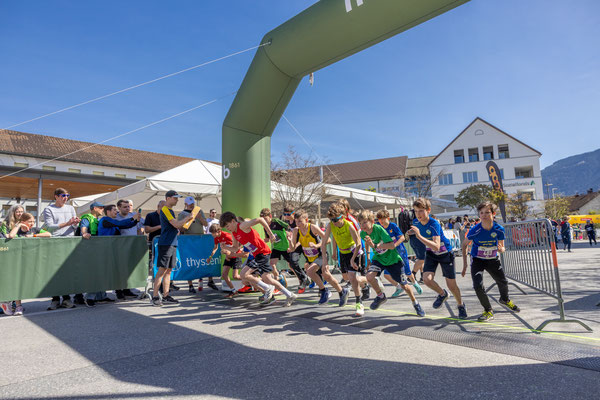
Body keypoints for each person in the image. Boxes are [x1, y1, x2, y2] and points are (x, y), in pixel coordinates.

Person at [219, 211, 297, 306]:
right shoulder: (234, 233)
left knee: (244, 274)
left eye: (227, 226)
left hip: (262, 252)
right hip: (258, 254)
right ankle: (290, 295)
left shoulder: (242, 226)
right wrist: (225, 247)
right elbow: (235, 248)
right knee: (268, 279)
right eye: (226, 227)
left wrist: (270, 234)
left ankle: (267, 288)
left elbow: (260, 219)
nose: (227, 229)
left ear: (233, 221)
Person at [357, 210, 425, 317]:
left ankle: (415, 303)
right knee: (369, 277)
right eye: (360, 223)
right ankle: (380, 296)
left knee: (405, 286)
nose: (362, 225)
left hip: (393, 259)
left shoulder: (379, 229)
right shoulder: (362, 233)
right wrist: (368, 256)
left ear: (372, 221)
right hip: (379, 258)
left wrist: (376, 245)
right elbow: (367, 243)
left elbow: (392, 246)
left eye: (365, 222)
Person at [408, 198, 467, 319]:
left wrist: (418, 235)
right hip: (431, 254)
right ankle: (442, 294)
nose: (418, 214)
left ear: (428, 210)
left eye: (421, 211)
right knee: (426, 279)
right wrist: (410, 233)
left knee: (451, 285)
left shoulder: (434, 223)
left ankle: (461, 305)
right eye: (416, 211)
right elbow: (428, 245)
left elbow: (436, 246)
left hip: (445, 253)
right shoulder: (416, 222)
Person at [461, 202, 520, 321]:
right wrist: (465, 264)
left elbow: (502, 247)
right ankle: (488, 310)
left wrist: (501, 249)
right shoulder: (475, 229)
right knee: (478, 286)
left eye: (487, 212)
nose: (484, 215)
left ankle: (504, 300)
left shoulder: (499, 229)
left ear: (493, 214)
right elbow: (464, 245)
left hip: (492, 259)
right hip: (477, 260)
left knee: (503, 281)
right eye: (481, 213)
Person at [291, 209, 349, 306]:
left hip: (321, 255)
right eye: (296, 222)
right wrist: (290, 241)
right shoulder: (296, 230)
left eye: (300, 221)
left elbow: (328, 240)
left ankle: (324, 291)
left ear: (306, 220)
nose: (298, 224)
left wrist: (316, 245)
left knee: (309, 271)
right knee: (327, 276)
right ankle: (342, 291)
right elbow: (293, 248)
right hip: (310, 258)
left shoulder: (312, 228)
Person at [321, 202, 368, 317]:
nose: (334, 222)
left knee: (352, 277)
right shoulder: (331, 225)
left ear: (342, 216)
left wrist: (353, 259)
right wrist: (325, 261)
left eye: (336, 220)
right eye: (332, 220)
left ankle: (359, 303)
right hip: (342, 252)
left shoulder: (349, 225)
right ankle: (369, 281)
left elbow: (358, 244)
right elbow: (324, 243)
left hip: (353, 252)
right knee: (347, 277)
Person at [0, 212, 51, 316]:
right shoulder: (16, 230)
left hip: (31, 261)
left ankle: (8, 302)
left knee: (25, 283)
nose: (32, 223)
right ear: (23, 221)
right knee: (17, 282)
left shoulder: (35, 230)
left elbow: (49, 234)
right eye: (29, 221)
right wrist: (19, 225)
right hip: (17, 261)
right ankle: (17, 306)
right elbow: (11, 236)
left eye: (33, 221)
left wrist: (33, 235)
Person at [152, 191, 193, 306]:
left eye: (177, 198)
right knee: (161, 271)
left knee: (169, 270)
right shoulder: (165, 209)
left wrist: (187, 221)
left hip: (172, 243)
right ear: (168, 198)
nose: (177, 200)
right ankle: (155, 296)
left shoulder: (169, 210)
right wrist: (188, 217)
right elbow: (176, 224)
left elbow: (176, 226)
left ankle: (166, 295)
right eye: (175, 198)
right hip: (166, 244)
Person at [42, 187, 80, 310]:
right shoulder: (49, 209)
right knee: (54, 272)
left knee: (67, 272)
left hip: (69, 242)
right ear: (56, 196)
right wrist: (68, 223)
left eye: (67, 195)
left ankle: (66, 299)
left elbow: (75, 226)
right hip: (55, 242)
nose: (66, 198)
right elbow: (50, 227)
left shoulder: (71, 208)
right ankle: (55, 299)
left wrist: (75, 223)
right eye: (63, 195)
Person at [375, 209, 423, 297]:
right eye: (379, 219)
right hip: (390, 255)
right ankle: (398, 287)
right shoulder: (379, 228)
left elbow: (402, 237)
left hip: (400, 252)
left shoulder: (393, 226)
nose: (381, 221)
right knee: (386, 275)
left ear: (388, 218)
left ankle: (414, 283)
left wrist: (394, 245)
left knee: (408, 273)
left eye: (383, 219)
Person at [99, 204, 142, 299]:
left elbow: (126, 226)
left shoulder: (113, 222)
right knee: (113, 272)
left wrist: (136, 221)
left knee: (120, 271)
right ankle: (115, 292)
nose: (116, 212)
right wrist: (132, 218)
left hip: (114, 250)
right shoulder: (105, 220)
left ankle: (124, 290)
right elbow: (120, 223)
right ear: (108, 212)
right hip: (106, 250)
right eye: (114, 210)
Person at [178, 196, 216, 292]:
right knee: (189, 262)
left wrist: (200, 217)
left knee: (206, 259)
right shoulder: (182, 214)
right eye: (190, 204)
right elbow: (180, 229)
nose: (192, 205)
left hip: (201, 240)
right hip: (189, 241)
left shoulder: (199, 211)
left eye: (193, 203)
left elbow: (206, 224)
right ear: (185, 204)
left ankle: (210, 280)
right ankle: (190, 285)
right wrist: (188, 220)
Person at [77, 201, 107, 307]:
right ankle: (89, 297)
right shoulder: (87, 218)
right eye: (101, 207)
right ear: (94, 208)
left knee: (100, 272)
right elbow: (84, 228)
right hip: (89, 250)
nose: (103, 209)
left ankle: (101, 296)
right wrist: (84, 233)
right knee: (93, 273)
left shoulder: (98, 220)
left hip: (97, 250)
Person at [207, 224, 244, 298]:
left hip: (236, 256)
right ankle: (233, 291)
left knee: (235, 276)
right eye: (211, 233)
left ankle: (250, 280)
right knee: (224, 275)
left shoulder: (227, 235)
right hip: (228, 257)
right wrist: (210, 257)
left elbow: (239, 244)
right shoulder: (216, 237)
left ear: (218, 231)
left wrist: (230, 251)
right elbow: (215, 248)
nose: (212, 235)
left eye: (213, 233)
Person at [280, 205, 311, 290]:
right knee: (292, 262)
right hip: (295, 245)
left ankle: (318, 277)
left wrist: (294, 246)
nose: (286, 216)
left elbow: (301, 236)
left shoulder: (297, 221)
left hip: (303, 243)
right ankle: (303, 278)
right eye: (284, 214)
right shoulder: (286, 222)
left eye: (288, 214)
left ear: (293, 213)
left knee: (310, 263)